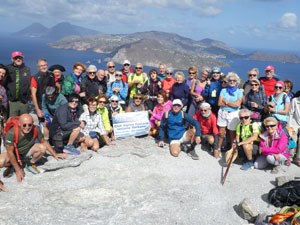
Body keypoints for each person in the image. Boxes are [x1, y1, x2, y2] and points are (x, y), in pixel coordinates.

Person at [0, 114, 65, 182]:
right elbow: (10, 152)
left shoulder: (35, 129)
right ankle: (12, 165)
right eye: (24, 125)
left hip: (27, 152)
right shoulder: (11, 133)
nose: (27, 127)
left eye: (30, 125)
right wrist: (18, 170)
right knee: (1, 162)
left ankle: (30, 163)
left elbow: (44, 142)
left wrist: (55, 154)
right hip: (14, 154)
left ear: (33, 124)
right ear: (19, 124)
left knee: (42, 148)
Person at [217, 72, 243, 158]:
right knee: (221, 133)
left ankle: (232, 152)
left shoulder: (239, 92)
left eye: (234, 80)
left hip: (233, 114)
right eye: (230, 80)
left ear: (236, 82)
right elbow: (219, 103)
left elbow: (237, 105)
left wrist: (227, 101)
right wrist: (232, 104)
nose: (231, 82)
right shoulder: (223, 90)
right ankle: (218, 149)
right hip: (222, 113)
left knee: (232, 134)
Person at [5, 51, 31, 117]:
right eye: (16, 58)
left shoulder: (27, 69)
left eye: (19, 57)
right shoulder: (8, 68)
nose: (18, 59)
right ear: (12, 59)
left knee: (24, 121)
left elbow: (29, 84)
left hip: (24, 102)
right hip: (12, 102)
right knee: (13, 122)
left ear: (22, 58)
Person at [287, 95, 300, 167]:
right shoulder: (295, 100)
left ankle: (298, 159)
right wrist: (289, 126)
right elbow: (290, 113)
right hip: (294, 123)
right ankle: (290, 157)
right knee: (293, 138)